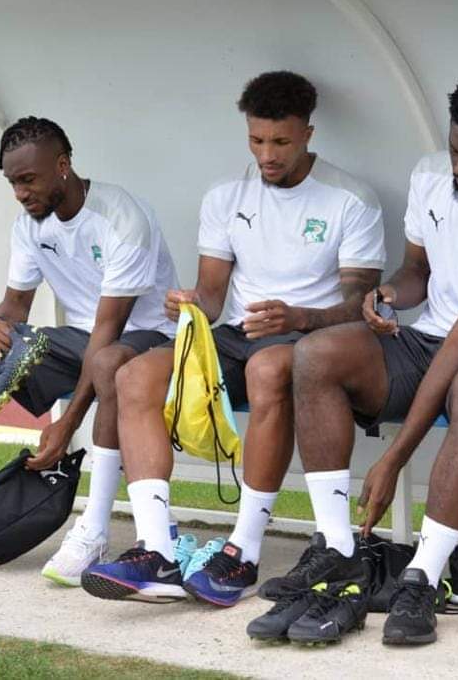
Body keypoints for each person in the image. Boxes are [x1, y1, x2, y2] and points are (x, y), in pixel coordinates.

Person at [262, 68, 458, 645]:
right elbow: (417, 272)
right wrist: (388, 295)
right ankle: (337, 549)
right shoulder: (429, 175)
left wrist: (394, 458)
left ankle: (422, 577)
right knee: (315, 354)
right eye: (455, 150)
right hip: (431, 338)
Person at [80, 70, 385, 605]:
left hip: (303, 340)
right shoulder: (225, 196)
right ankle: (157, 551)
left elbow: (358, 306)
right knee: (132, 377)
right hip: (233, 337)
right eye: (256, 140)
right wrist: (188, 303)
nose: (267, 155)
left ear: (308, 134)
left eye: (281, 142)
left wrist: (297, 317)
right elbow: (213, 298)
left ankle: (242, 550)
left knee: (268, 369)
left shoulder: (350, 199)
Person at [0, 117, 178, 584]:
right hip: (81, 337)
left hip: (148, 337)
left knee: (108, 363)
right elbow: (15, 304)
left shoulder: (122, 218)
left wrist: (67, 425)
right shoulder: (29, 224)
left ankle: (94, 528)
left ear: (62, 166)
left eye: (28, 179)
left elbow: (109, 329)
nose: (20, 193)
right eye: (12, 183)